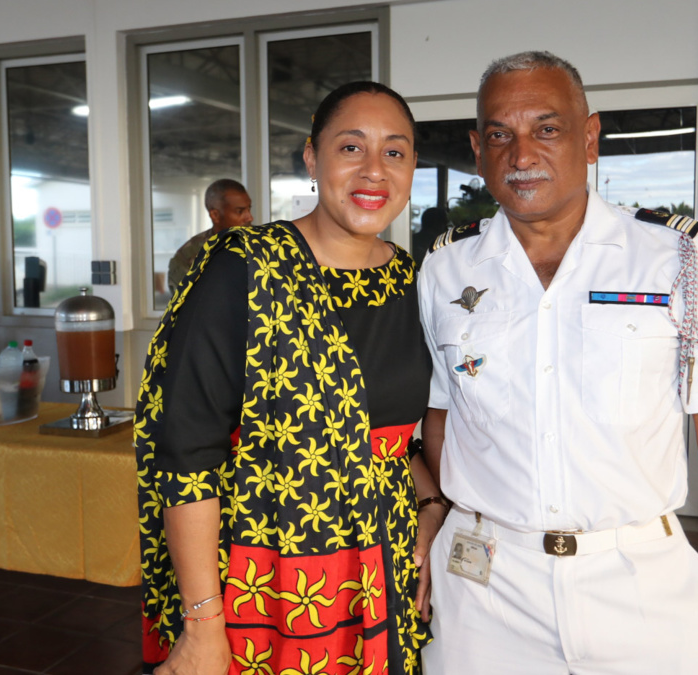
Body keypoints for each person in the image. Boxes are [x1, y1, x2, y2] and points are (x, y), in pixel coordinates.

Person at [417, 51, 698, 675]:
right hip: (486, 597)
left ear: (589, 138)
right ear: (478, 151)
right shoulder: (444, 270)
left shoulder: (675, 258)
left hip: (642, 587)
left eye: (547, 128)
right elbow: (442, 417)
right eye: (500, 136)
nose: (522, 155)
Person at [135, 81, 446, 675]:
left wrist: (430, 505)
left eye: (395, 152)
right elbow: (186, 453)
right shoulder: (244, 268)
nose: (374, 170)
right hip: (266, 575)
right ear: (311, 157)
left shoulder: (412, 281)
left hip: (383, 564)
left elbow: (388, 438)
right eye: (351, 147)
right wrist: (202, 625)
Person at [167, 178, 253, 293]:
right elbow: (184, 301)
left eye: (249, 209)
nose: (249, 217)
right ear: (215, 215)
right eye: (240, 211)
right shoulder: (188, 256)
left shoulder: (265, 246)